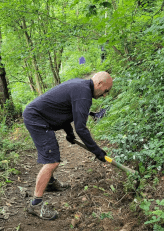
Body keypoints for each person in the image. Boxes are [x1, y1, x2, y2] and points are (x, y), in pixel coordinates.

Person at [23, 71, 113, 220]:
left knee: (53, 155)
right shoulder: (83, 94)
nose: (104, 95)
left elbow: (65, 111)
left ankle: (50, 184)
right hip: (37, 119)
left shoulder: (81, 87)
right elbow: (81, 129)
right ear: (99, 84)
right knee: (52, 161)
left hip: (40, 116)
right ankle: (35, 204)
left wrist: (69, 133)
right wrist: (97, 151)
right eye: (106, 91)